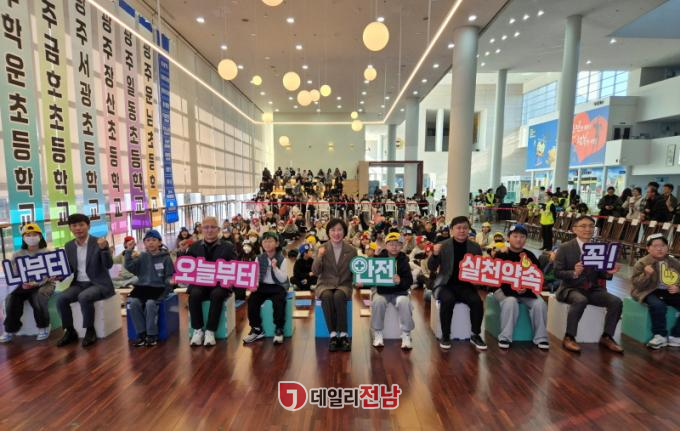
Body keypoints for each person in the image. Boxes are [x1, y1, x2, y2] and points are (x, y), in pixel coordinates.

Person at [554, 215, 623, 353]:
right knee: (580, 300)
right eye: (583, 226)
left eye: (591, 226)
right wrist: (574, 272)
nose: (588, 229)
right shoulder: (565, 248)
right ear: (575, 229)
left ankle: (607, 336)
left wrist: (609, 272)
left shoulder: (598, 248)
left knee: (616, 301)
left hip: (592, 289)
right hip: (570, 288)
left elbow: (601, 273)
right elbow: (557, 272)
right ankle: (569, 337)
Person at [428, 216, 486, 350]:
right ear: (452, 230)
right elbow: (431, 267)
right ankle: (445, 335)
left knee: (477, 302)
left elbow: (480, 269)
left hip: (466, 285)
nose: (462, 231)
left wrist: (478, 282)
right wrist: (435, 254)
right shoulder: (443, 245)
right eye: (458, 228)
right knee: (447, 300)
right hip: (445, 284)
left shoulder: (475, 247)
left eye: (465, 228)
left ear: (469, 229)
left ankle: (475, 334)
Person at [56, 214, 114, 347]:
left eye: (81, 225)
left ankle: (90, 330)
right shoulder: (69, 246)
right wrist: (60, 275)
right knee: (61, 299)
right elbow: (70, 267)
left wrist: (104, 249)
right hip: (79, 283)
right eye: (74, 225)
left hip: (98, 283)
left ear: (88, 226)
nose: (78, 228)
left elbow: (108, 265)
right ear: (70, 228)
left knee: (84, 297)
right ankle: (70, 331)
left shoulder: (99, 242)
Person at [493, 225, 549, 350]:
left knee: (540, 304)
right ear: (508, 238)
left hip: (525, 292)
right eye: (515, 236)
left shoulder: (530, 256)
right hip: (504, 290)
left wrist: (526, 288)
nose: (519, 239)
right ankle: (505, 337)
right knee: (510, 302)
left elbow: (537, 277)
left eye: (522, 237)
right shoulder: (501, 254)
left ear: (526, 239)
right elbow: (495, 278)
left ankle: (541, 338)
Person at [0, 224, 56, 343]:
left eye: (34, 234)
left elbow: (50, 273)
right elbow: (14, 273)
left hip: (45, 284)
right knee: (12, 298)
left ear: (40, 236)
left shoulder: (48, 252)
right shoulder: (17, 254)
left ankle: (43, 326)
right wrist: (23, 283)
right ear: (23, 238)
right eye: (28, 235)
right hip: (25, 285)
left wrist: (36, 283)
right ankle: (10, 329)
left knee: (38, 297)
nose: (31, 237)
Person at [187, 216, 238, 347]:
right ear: (201, 229)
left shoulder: (228, 247)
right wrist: (182, 253)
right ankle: (197, 330)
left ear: (218, 229)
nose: (209, 230)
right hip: (201, 283)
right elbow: (187, 268)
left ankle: (210, 331)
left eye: (213, 227)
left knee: (217, 294)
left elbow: (235, 267)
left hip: (220, 284)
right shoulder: (194, 247)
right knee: (194, 294)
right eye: (206, 227)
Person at [312, 218, 357, 352]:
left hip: (344, 283)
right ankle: (332, 335)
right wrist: (319, 256)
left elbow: (356, 269)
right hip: (325, 283)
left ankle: (343, 335)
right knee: (326, 296)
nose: (336, 233)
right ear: (328, 232)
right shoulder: (321, 248)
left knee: (338, 296)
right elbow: (316, 271)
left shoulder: (351, 250)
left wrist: (358, 280)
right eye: (333, 230)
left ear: (344, 232)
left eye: (339, 230)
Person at [124, 230, 175, 347]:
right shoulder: (142, 257)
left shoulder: (166, 258)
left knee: (150, 304)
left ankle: (152, 334)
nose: (151, 243)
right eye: (148, 240)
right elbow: (129, 266)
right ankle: (141, 334)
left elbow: (169, 276)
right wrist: (129, 251)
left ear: (159, 242)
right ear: (144, 243)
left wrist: (170, 282)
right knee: (133, 303)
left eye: (154, 240)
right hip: (142, 287)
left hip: (159, 288)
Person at [630, 233, 680, 349]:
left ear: (668, 247)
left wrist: (678, 288)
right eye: (655, 246)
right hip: (648, 291)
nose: (659, 249)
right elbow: (637, 285)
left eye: (663, 245)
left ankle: (676, 336)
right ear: (648, 248)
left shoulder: (674, 262)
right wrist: (646, 275)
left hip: (668, 291)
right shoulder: (642, 263)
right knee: (658, 306)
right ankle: (660, 335)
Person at [243, 232, 290, 345]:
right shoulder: (258, 258)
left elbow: (283, 278)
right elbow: (255, 275)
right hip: (263, 286)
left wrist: (275, 268)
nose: (267, 244)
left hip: (278, 286)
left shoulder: (282, 258)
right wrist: (254, 285)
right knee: (252, 300)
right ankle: (257, 329)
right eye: (265, 241)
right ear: (261, 244)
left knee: (279, 302)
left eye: (270, 241)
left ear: (277, 243)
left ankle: (279, 329)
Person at [369, 232, 414, 350]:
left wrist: (400, 281)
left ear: (402, 246)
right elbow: (371, 275)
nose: (394, 247)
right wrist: (375, 258)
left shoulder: (404, 260)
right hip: (382, 292)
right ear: (386, 245)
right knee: (378, 302)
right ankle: (378, 332)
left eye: (398, 244)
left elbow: (409, 281)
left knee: (405, 302)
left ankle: (406, 334)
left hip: (399, 292)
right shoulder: (380, 257)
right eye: (391, 244)